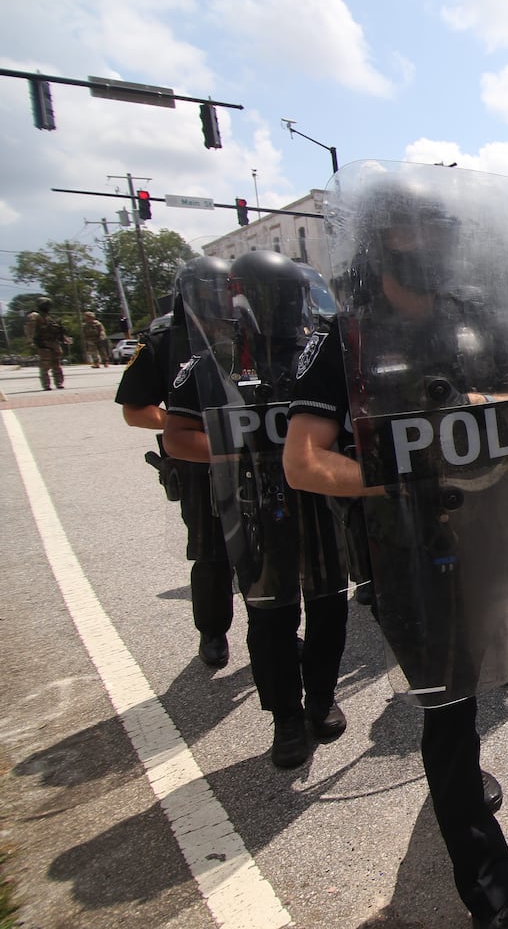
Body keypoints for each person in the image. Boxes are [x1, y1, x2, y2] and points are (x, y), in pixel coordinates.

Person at [285, 163, 508, 929]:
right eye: (423, 227)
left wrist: (489, 403)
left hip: (491, 530)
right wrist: (395, 483)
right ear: (384, 238)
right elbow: (304, 461)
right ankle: (490, 892)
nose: (439, 242)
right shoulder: (342, 336)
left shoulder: (471, 312)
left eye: (446, 228)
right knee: (446, 707)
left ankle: (465, 776)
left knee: (471, 681)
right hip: (404, 547)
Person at [166, 250, 349, 770]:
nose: (283, 312)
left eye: (289, 299)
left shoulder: (318, 355)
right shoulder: (211, 363)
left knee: (330, 606)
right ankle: (286, 718)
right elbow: (177, 436)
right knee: (271, 616)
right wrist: (239, 451)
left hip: (321, 507)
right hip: (252, 505)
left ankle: (320, 696)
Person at [114, 259, 235, 668]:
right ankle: (213, 631)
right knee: (211, 550)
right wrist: (183, 428)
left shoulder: (249, 329)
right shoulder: (164, 336)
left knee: (268, 546)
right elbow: (136, 409)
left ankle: (277, 632)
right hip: (196, 460)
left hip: (253, 455)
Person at [31, 297, 68, 390]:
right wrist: (31, 342)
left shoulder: (52, 318)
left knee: (57, 364)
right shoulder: (35, 316)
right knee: (45, 365)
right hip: (43, 343)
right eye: (45, 304)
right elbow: (30, 330)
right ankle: (46, 385)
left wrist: (63, 337)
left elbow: (59, 330)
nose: (46, 306)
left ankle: (59, 383)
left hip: (54, 343)